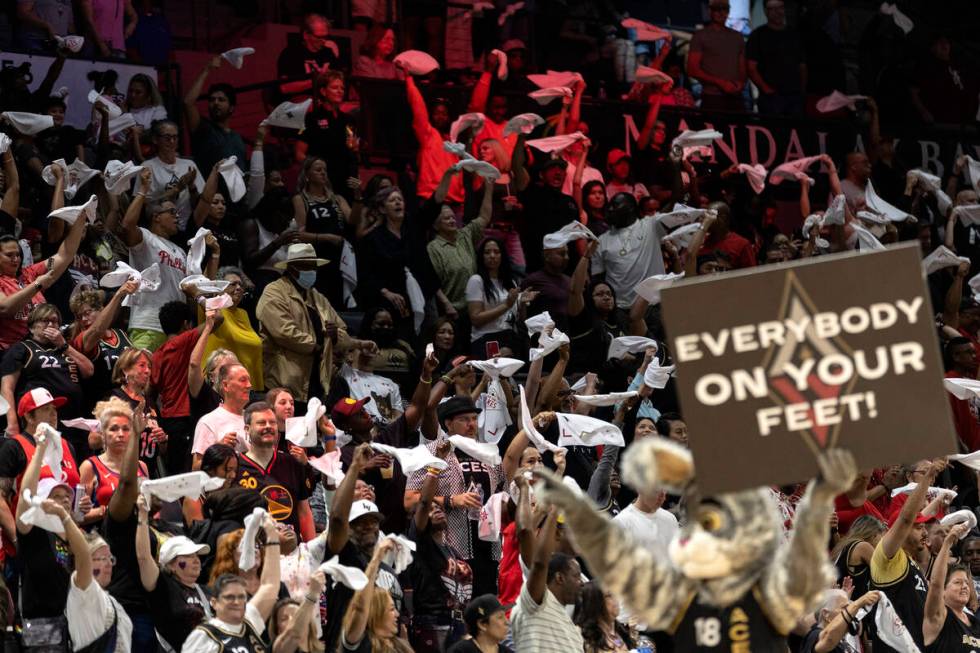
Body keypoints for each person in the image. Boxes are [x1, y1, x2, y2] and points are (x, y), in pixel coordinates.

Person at [406, 396, 503, 597]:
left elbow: (503, 491)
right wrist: (451, 500)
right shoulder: (430, 453)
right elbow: (410, 500)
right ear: (448, 423)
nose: (472, 424)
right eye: (464, 420)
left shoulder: (487, 452)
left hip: (488, 546)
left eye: (475, 419)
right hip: (448, 548)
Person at [256, 243, 374, 403]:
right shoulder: (274, 292)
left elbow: (341, 329)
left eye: (314, 267)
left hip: (318, 378)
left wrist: (334, 336)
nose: (312, 271)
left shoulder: (316, 296)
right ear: (292, 268)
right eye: (306, 266)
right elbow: (284, 333)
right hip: (285, 378)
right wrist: (319, 346)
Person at [121, 167, 217, 350]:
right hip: (148, 324)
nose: (177, 216)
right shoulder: (146, 238)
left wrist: (214, 255)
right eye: (172, 212)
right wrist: (143, 190)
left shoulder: (181, 252)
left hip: (178, 329)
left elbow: (199, 286)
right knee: (142, 376)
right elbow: (126, 226)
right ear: (156, 217)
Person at [869, 458, 945, 651]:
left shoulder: (910, 561)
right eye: (919, 528)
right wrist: (928, 477)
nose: (925, 533)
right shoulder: (887, 558)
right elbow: (905, 519)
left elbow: (914, 519)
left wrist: (937, 500)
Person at [13, 431, 77, 653]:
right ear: (42, 502)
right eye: (56, 496)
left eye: (67, 495)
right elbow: (25, 495)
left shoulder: (72, 536)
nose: (65, 500)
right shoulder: (34, 532)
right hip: (43, 630)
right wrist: (40, 450)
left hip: (72, 625)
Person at [181, 514, 283, 652]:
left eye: (242, 597)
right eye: (229, 597)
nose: (237, 602)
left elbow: (270, 585)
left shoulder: (247, 624)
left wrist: (272, 535)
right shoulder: (204, 636)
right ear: (214, 602)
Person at [409, 442, 473, 650]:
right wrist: (435, 465)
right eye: (430, 509)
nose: (436, 510)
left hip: (458, 623)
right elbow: (425, 501)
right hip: (432, 623)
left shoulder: (453, 551)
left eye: (440, 508)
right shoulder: (420, 542)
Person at [0, 202, 86, 352]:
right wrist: (37, 285)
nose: (16, 259)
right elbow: (5, 308)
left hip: (42, 349)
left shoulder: (29, 274)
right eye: (9, 255)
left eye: (18, 255)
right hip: (13, 353)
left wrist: (81, 220)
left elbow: (62, 256)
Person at [1, 304, 94, 441]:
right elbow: (7, 388)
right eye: (45, 321)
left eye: (55, 321)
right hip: (38, 420)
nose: (51, 324)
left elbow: (89, 370)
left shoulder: (65, 348)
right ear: (32, 327)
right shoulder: (22, 348)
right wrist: (12, 423)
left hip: (72, 421)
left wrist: (64, 346)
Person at [355, 185, 439, 338]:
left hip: (425, 297)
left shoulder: (414, 226)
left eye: (400, 199)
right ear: (382, 209)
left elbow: (434, 204)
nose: (398, 203)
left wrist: (448, 175)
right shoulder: (373, 239)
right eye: (392, 200)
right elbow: (365, 274)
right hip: (394, 301)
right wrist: (386, 292)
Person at [136, 491, 213, 651]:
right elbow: (143, 556)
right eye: (188, 556)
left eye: (196, 555)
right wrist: (142, 514)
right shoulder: (163, 587)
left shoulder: (206, 591)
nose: (196, 560)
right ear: (170, 564)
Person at [235, 401, 315, 541]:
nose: (268, 427)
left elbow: (304, 512)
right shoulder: (235, 467)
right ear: (247, 429)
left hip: (291, 551)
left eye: (272, 422)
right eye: (261, 423)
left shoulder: (292, 462)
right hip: (254, 553)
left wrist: (311, 550)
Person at [510, 509, 584, 651]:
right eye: (576, 577)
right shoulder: (538, 601)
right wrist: (553, 509)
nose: (581, 583)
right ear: (559, 578)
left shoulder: (572, 630)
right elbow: (538, 561)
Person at [426, 168, 492, 318]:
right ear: (436, 225)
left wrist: (489, 188)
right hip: (452, 313)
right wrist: (447, 306)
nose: (452, 220)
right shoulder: (433, 248)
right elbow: (433, 283)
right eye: (447, 218)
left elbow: (484, 217)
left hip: (476, 308)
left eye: (452, 217)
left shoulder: (464, 235)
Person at [293, 156, 357, 308]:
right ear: (307, 175)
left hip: (339, 258)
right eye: (318, 170)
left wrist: (358, 196)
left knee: (338, 302)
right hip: (316, 257)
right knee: (320, 302)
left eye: (325, 170)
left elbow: (353, 221)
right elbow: (299, 234)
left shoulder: (337, 199)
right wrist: (326, 237)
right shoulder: (300, 199)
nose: (323, 173)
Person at [68, 281, 138, 407]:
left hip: (128, 403)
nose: (83, 319)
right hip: (101, 407)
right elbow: (97, 330)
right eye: (79, 317)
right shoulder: (81, 339)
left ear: (101, 310)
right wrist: (118, 295)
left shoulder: (121, 334)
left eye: (87, 313)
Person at [402, 66, 464, 203]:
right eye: (436, 113)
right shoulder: (427, 134)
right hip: (431, 199)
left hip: (455, 202)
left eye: (444, 114)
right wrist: (409, 80)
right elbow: (418, 107)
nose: (440, 117)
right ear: (431, 115)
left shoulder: (453, 140)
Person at [78, 397, 149, 518]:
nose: (121, 434)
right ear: (103, 434)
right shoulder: (89, 466)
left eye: (126, 429)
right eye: (114, 429)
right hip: (102, 533)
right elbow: (77, 516)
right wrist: (110, 510)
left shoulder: (141, 466)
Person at [200, 266, 264, 391]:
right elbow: (207, 286)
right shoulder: (213, 309)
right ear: (220, 288)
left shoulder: (243, 314)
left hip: (248, 388)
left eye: (240, 284)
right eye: (233, 284)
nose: (239, 288)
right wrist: (215, 254)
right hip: (219, 387)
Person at [340, 538, 409, 653]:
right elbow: (360, 608)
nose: (397, 614)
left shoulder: (400, 644)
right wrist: (377, 558)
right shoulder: (361, 643)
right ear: (375, 612)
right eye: (392, 609)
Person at [298, 71, 358, 201]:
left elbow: (353, 147)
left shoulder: (348, 119)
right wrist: (316, 172)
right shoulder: (311, 119)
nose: (340, 91)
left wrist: (355, 147)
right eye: (335, 87)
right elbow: (299, 154)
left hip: (346, 178)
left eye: (342, 88)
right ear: (323, 91)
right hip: (323, 180)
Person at [108, 346, 169, 476]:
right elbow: (96, 439)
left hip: (148, 475)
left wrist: (163, 440)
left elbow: (162, 450)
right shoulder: (115, 399)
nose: (147, 371)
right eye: (142, 365)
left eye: (149, 367)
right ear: (125, 369)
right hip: (121, 473)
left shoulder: (151, 402)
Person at [183, 56, 247, 175]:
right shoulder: (203, 128)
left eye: (221, 100)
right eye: (212, 100)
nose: (215, 103)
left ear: (231, 108)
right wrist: (207, 70)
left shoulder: (237, 138)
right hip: (209, 192)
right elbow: (188, 102)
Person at [922, 523, 980, 650]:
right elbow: (936, 584)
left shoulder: (975, 622)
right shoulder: (938, 616)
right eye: (958, 582)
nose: (964, 586)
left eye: (966, 582)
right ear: (943, 591)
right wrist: (948, 542)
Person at [141, 120, 205, 231]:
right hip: (162, 229)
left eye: (175, 137)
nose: (172, 141)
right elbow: (147, 208)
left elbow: (200, 206)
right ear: (155, 140)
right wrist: (177, 189)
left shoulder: (189, 165)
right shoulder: (147, 167)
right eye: (167, 137)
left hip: (189, 227)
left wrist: (192, 188)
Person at [746, 0, 807, 116]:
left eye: (780, 7)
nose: (777, 12)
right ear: (766, 11)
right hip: (771, 99)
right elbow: (751, 67)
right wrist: (767, 90)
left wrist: (802, 91)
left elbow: (802, 65)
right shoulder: (758, 35)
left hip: (795, 97)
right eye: (772, 9)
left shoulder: (794, 34)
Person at [687, 0, 746, 112]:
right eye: (717, 9)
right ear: (710, 11)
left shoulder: (737, 37)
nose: (721, 12)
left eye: (724, 9)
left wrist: (741, 83)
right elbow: (692, 69)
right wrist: (721, 83)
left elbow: (742, 66)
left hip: (736, 96)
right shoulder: (700, 36)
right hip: (712, 97)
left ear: (728, 11)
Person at [467, 238, 521, 358]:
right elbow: (476, 319)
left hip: (510, 338)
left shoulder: (510, 282)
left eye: (496, 252)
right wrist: (506, 305)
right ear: (481, 256)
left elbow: (515, 317)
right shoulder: (476, 280)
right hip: (486, 338)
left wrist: (522, 302)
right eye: (487, 252)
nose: (492, 255)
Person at [191, 363, 252, 468]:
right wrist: (218, 450)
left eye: (249, 380)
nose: (249, 385)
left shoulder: (255, 418)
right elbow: (196, 468)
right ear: (225, 385)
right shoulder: (208, 421)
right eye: (243, 380)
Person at [277, 12, 339, 100]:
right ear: (306, 35)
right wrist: (317, 80)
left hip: (325, 101)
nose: (323, 41)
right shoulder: (290, 53)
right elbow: (285, 88)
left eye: (326, 37)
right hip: (298, 103)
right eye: (319, 37)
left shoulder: (328, 52)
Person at [800, 589, 880, 653]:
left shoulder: (842, 639)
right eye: (844, 608)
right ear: (826, 614)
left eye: (849, 608)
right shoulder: (814, 635)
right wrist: (857, 604)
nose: (850, 612)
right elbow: (827, 639)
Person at [269, 572, 326, 653]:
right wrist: (313, 594)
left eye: (297, 615)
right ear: (278, 630)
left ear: (308, 622)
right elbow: (293, 634)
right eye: (284, 618)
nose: (293, 620)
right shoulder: (276, 649)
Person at [574, 581, 635, 653]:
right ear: (596, 603)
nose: (616, 599)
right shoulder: (581, 634)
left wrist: (633, 631)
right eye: (609, 595)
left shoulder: (618, 630)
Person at [447, 595, 512, 653]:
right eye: (500, 617)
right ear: (482, 625)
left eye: (505, 616)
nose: (506, 622)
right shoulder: (460, 651)